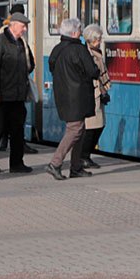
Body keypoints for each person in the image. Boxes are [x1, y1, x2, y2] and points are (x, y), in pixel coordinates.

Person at [46, 18, 99, 180]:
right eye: (80, 30)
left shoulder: (57, 49)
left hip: (63, 95)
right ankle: (55, 163)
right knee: (75, 130)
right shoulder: (79, 49)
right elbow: (92, 71)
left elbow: (52, 67)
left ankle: (75, 168)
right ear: (75, 33)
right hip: (77, 96)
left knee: (80, 130)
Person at [0, 11, 35, 174]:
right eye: (23, 26)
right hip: (2, 96)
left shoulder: (21, 44)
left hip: (18, 96)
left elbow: (28, 66)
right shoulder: (0, 42)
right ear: (13, 26)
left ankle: (17, 163)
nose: (25, 29)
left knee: (17, 131)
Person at [0, 4, 38, 155]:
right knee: (14, 115)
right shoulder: (6, 31)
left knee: (17, 114)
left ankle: (10, 144)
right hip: (11, 81)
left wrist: (29, 66)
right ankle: (5, 143)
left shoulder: (19, 31)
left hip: (19, 79)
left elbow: (25, 51)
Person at [80, 24, 111, 169]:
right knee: (92, 126)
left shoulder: (96, 52)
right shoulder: (88, 54)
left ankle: (86, 155)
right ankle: (84, 156)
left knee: (100, 125)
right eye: (98, 38)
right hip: (93, 93)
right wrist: (102, 90)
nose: (100, 41)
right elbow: (93, 74)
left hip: (99, 92)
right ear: (92, 40)